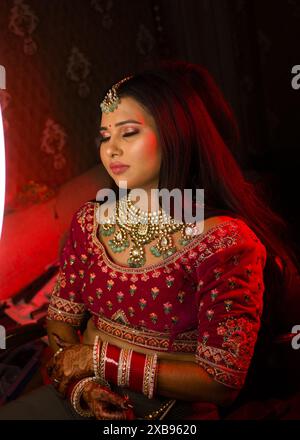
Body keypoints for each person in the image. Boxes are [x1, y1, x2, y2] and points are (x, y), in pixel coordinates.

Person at [0, 60, 298, 420]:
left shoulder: (223, 242)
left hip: (171, 413)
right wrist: (81, 387)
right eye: (105, 136)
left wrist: (100, 359)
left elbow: (221, 380)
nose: (111, 149)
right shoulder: (89, 222)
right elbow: (61, 320)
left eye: (128, 133)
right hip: (86, 397)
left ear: (174, 135)